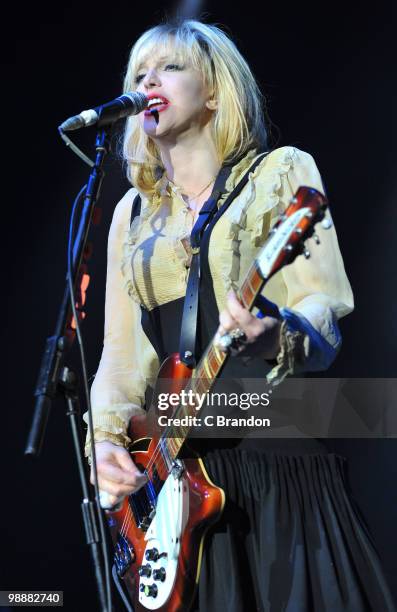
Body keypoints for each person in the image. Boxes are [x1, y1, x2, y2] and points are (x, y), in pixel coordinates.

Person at [83, 19, 395, 612]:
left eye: (169, 67)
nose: (149, 80)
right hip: (179, 492)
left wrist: (275, 333)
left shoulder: (279, 173)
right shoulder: (134, 215)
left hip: (275, 462)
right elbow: (122, 360)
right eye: (139, 73)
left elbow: (321, 309)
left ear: (215, 91)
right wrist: (105, 445)